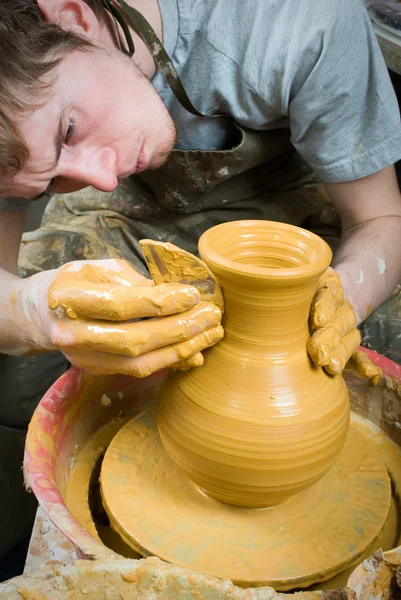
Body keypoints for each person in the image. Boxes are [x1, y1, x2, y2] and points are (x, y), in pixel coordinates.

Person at [0, 0, 401, 559]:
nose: (100, 174)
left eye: (69, 131)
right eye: (49, 184)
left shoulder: (300, 23)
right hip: (135, 219)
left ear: (73, 15)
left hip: (303, 224)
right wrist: (31, 311)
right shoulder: (20, 121)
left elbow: (381, 220)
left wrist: (348, 296)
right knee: (22, 377)